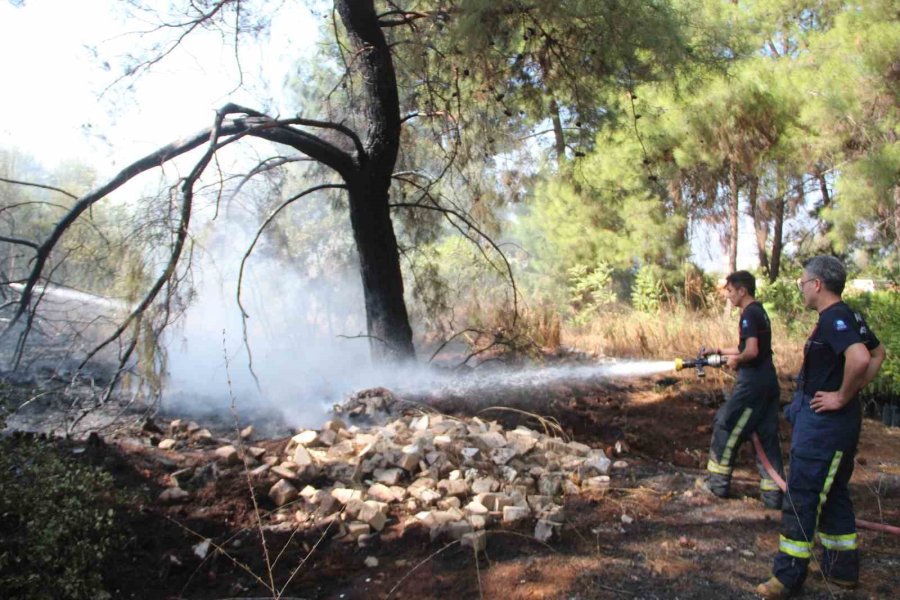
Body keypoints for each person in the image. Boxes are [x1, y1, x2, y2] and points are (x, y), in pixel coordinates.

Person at [757, 256, 885, 599]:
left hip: (825, 427)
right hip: (831, 425)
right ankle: (842, 571)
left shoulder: (834, 318)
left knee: (802, 495)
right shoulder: (847, 315)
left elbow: (861, 358)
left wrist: (842, 396)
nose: (800, 289)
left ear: (817, 284)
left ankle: (787, 577)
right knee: (833, 494)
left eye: (802, 283)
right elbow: (879, 353)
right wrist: (851, 392)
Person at [700, 270, 785, 509]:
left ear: (742, 290)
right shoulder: (759, 312)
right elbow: (745, 346)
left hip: (753, 386)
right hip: (767, 382)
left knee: (726, 424)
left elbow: (752, 351)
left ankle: (716, 484)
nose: (728, 296)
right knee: (767, 437)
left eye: (729, 291)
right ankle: (773, 495)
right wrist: (718, 351)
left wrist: (736, 361)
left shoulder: (748, 314)